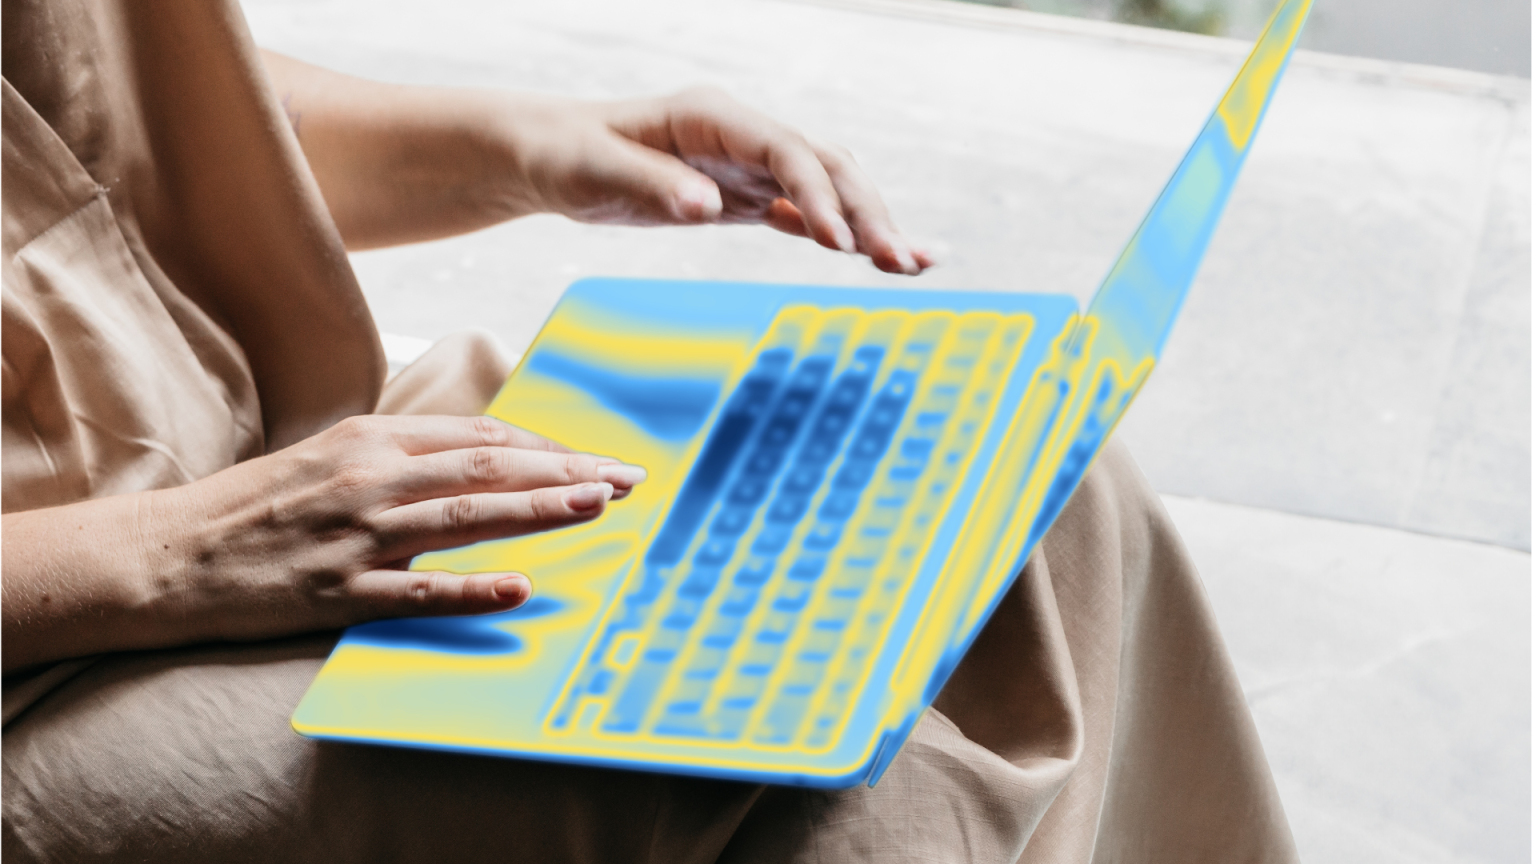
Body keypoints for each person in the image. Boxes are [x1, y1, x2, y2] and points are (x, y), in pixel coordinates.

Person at [1, 2, 1299, 861]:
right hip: (55, 625)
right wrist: (169, 553)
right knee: (834, 804)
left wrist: (529, 145)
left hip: (272, 433)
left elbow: (115, 101)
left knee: (1028, 482)